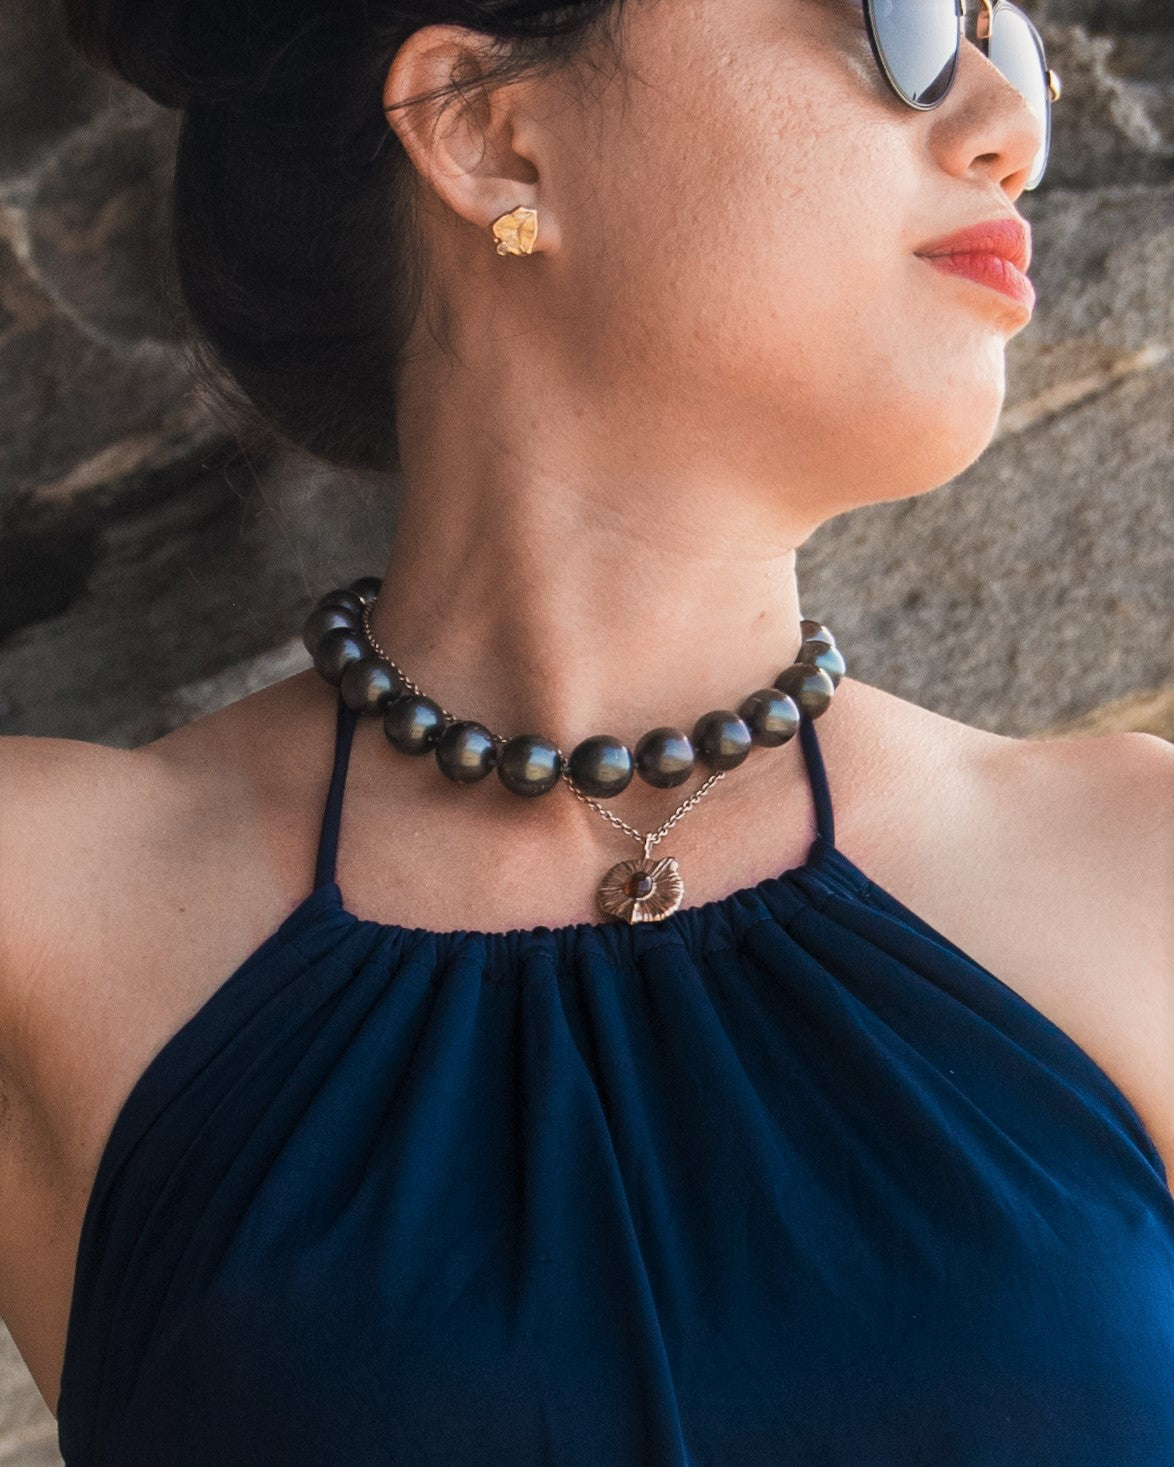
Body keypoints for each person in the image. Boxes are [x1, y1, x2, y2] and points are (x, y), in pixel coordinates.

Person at [1, 0, 1171, 1461]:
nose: (1005, 122)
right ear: (490, 133)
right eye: (908, 19)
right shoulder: (39, 907)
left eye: (1022, 50)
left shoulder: (1144, 874)